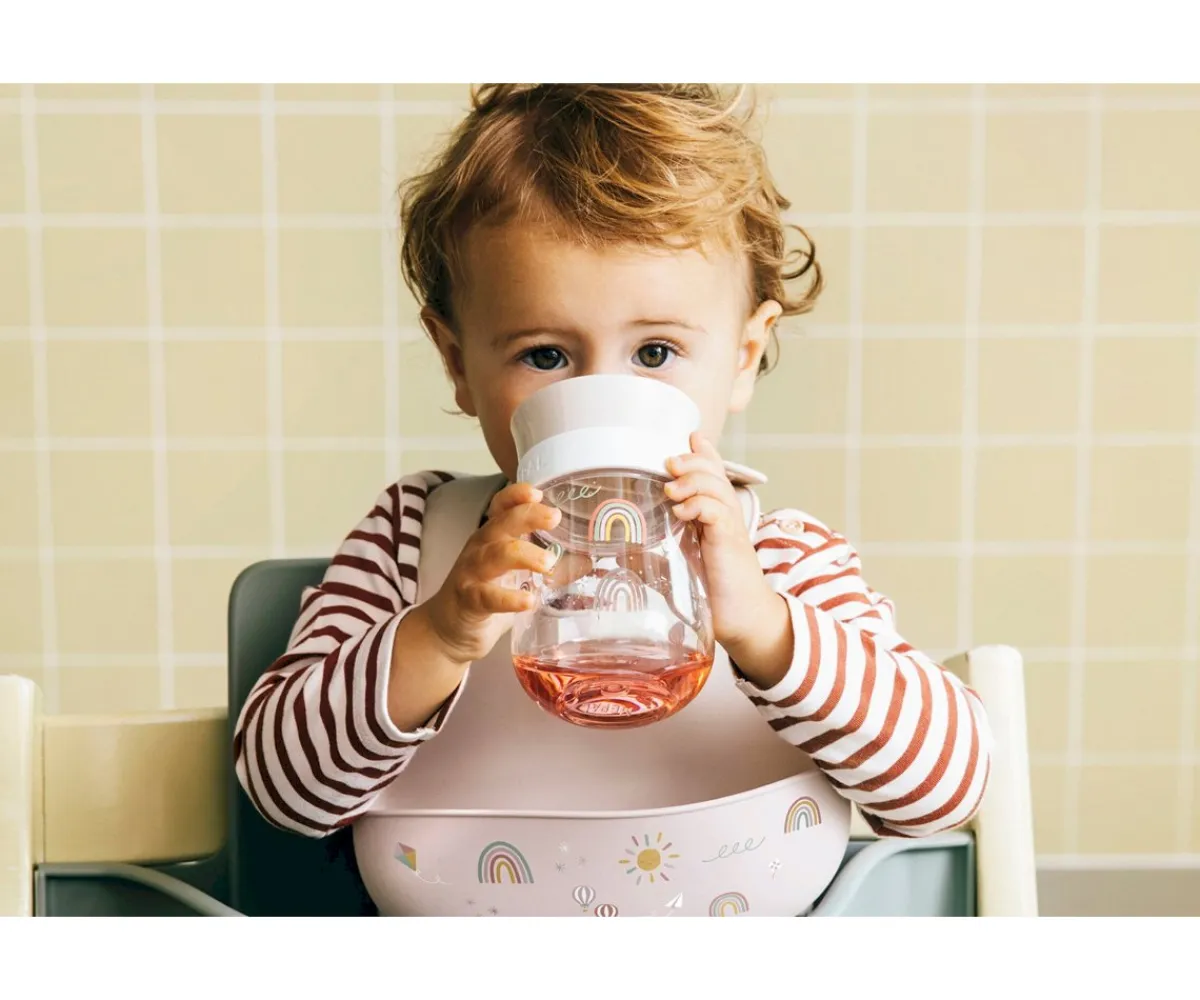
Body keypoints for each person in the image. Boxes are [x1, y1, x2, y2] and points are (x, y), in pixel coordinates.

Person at [233, 84, 992, 851]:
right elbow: (282, 792)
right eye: (545, 356)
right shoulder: (414, 541)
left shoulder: (781, 561)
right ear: (458, 362)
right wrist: (440, 633)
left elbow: (948, 793)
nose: (603, 397)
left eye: (655, 352)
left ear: (743, 357)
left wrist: (769, 629)